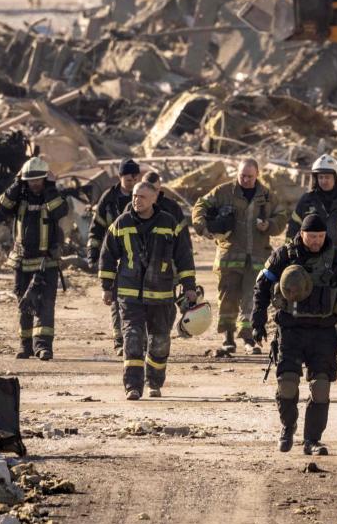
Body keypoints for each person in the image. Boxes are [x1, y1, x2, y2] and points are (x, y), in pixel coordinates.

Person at [252, 213, 337, 455]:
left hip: (324, 333)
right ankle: (288, 427)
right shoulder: (284, 255)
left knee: (321, 388)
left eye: (320, 237)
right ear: (302, 234)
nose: (316, 241)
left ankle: (312, 440)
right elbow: (262, 285)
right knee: (287, 384)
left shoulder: (336, 259)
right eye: (312, 236)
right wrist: (257, 317)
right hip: (291, 330)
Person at [99, 181, 198, 401]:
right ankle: (133, 386)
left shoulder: (169, 223)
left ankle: (154, 381)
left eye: (142, 196)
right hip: (129, 294)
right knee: (132, 338)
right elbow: (107, 256)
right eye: (134, 196)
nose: (137, 200)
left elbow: (183, 256)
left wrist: (189, 286)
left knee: (159, 342)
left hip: (161, 294)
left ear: (154, 198)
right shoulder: (121, 223)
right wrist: (106, 287)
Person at [192, 159, 286, 356]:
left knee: (251, 298)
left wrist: (268, 224)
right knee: (227, 298)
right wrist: (203, 227)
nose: (245, 179)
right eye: (242, 175)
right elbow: (200, 205)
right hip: (229, 257)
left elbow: (281, 218)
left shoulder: (267, 196)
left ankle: (249, 339)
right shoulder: (223, 192)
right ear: (237, 173)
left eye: (250, 176)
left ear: (257, 174)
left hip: (257, 258)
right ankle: (228, 338)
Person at [0, 156, 69, 360]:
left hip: (47, 260)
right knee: (24, 304)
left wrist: (51, 188)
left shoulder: (52, 195)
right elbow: (1, 207)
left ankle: (43, 347)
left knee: (45, 304)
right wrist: (17, 184)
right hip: (21, 260)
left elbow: (60, 210)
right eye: (30, 180)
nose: (35, 184)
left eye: (38, 180)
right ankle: (25, 346)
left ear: (45, 179)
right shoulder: (19, 196)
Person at [88, 158, 141, 353]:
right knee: (117, 300)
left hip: (138, 259)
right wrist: (93, 255)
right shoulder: (108, 199)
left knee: (138, 302)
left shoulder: (144, 195)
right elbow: (97, 228)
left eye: (136, 178)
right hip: (114, 257)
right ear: (120, 177)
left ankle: (137, 339)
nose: (133, 182)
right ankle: (120, 341)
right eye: (129, 179)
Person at [286, 154, 337, 270]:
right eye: (320, 177)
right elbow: (293, 230)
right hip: (312, 261)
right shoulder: (307, 201)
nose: (323, 181)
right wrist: (290, 255)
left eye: (327, 177)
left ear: (336, 177)